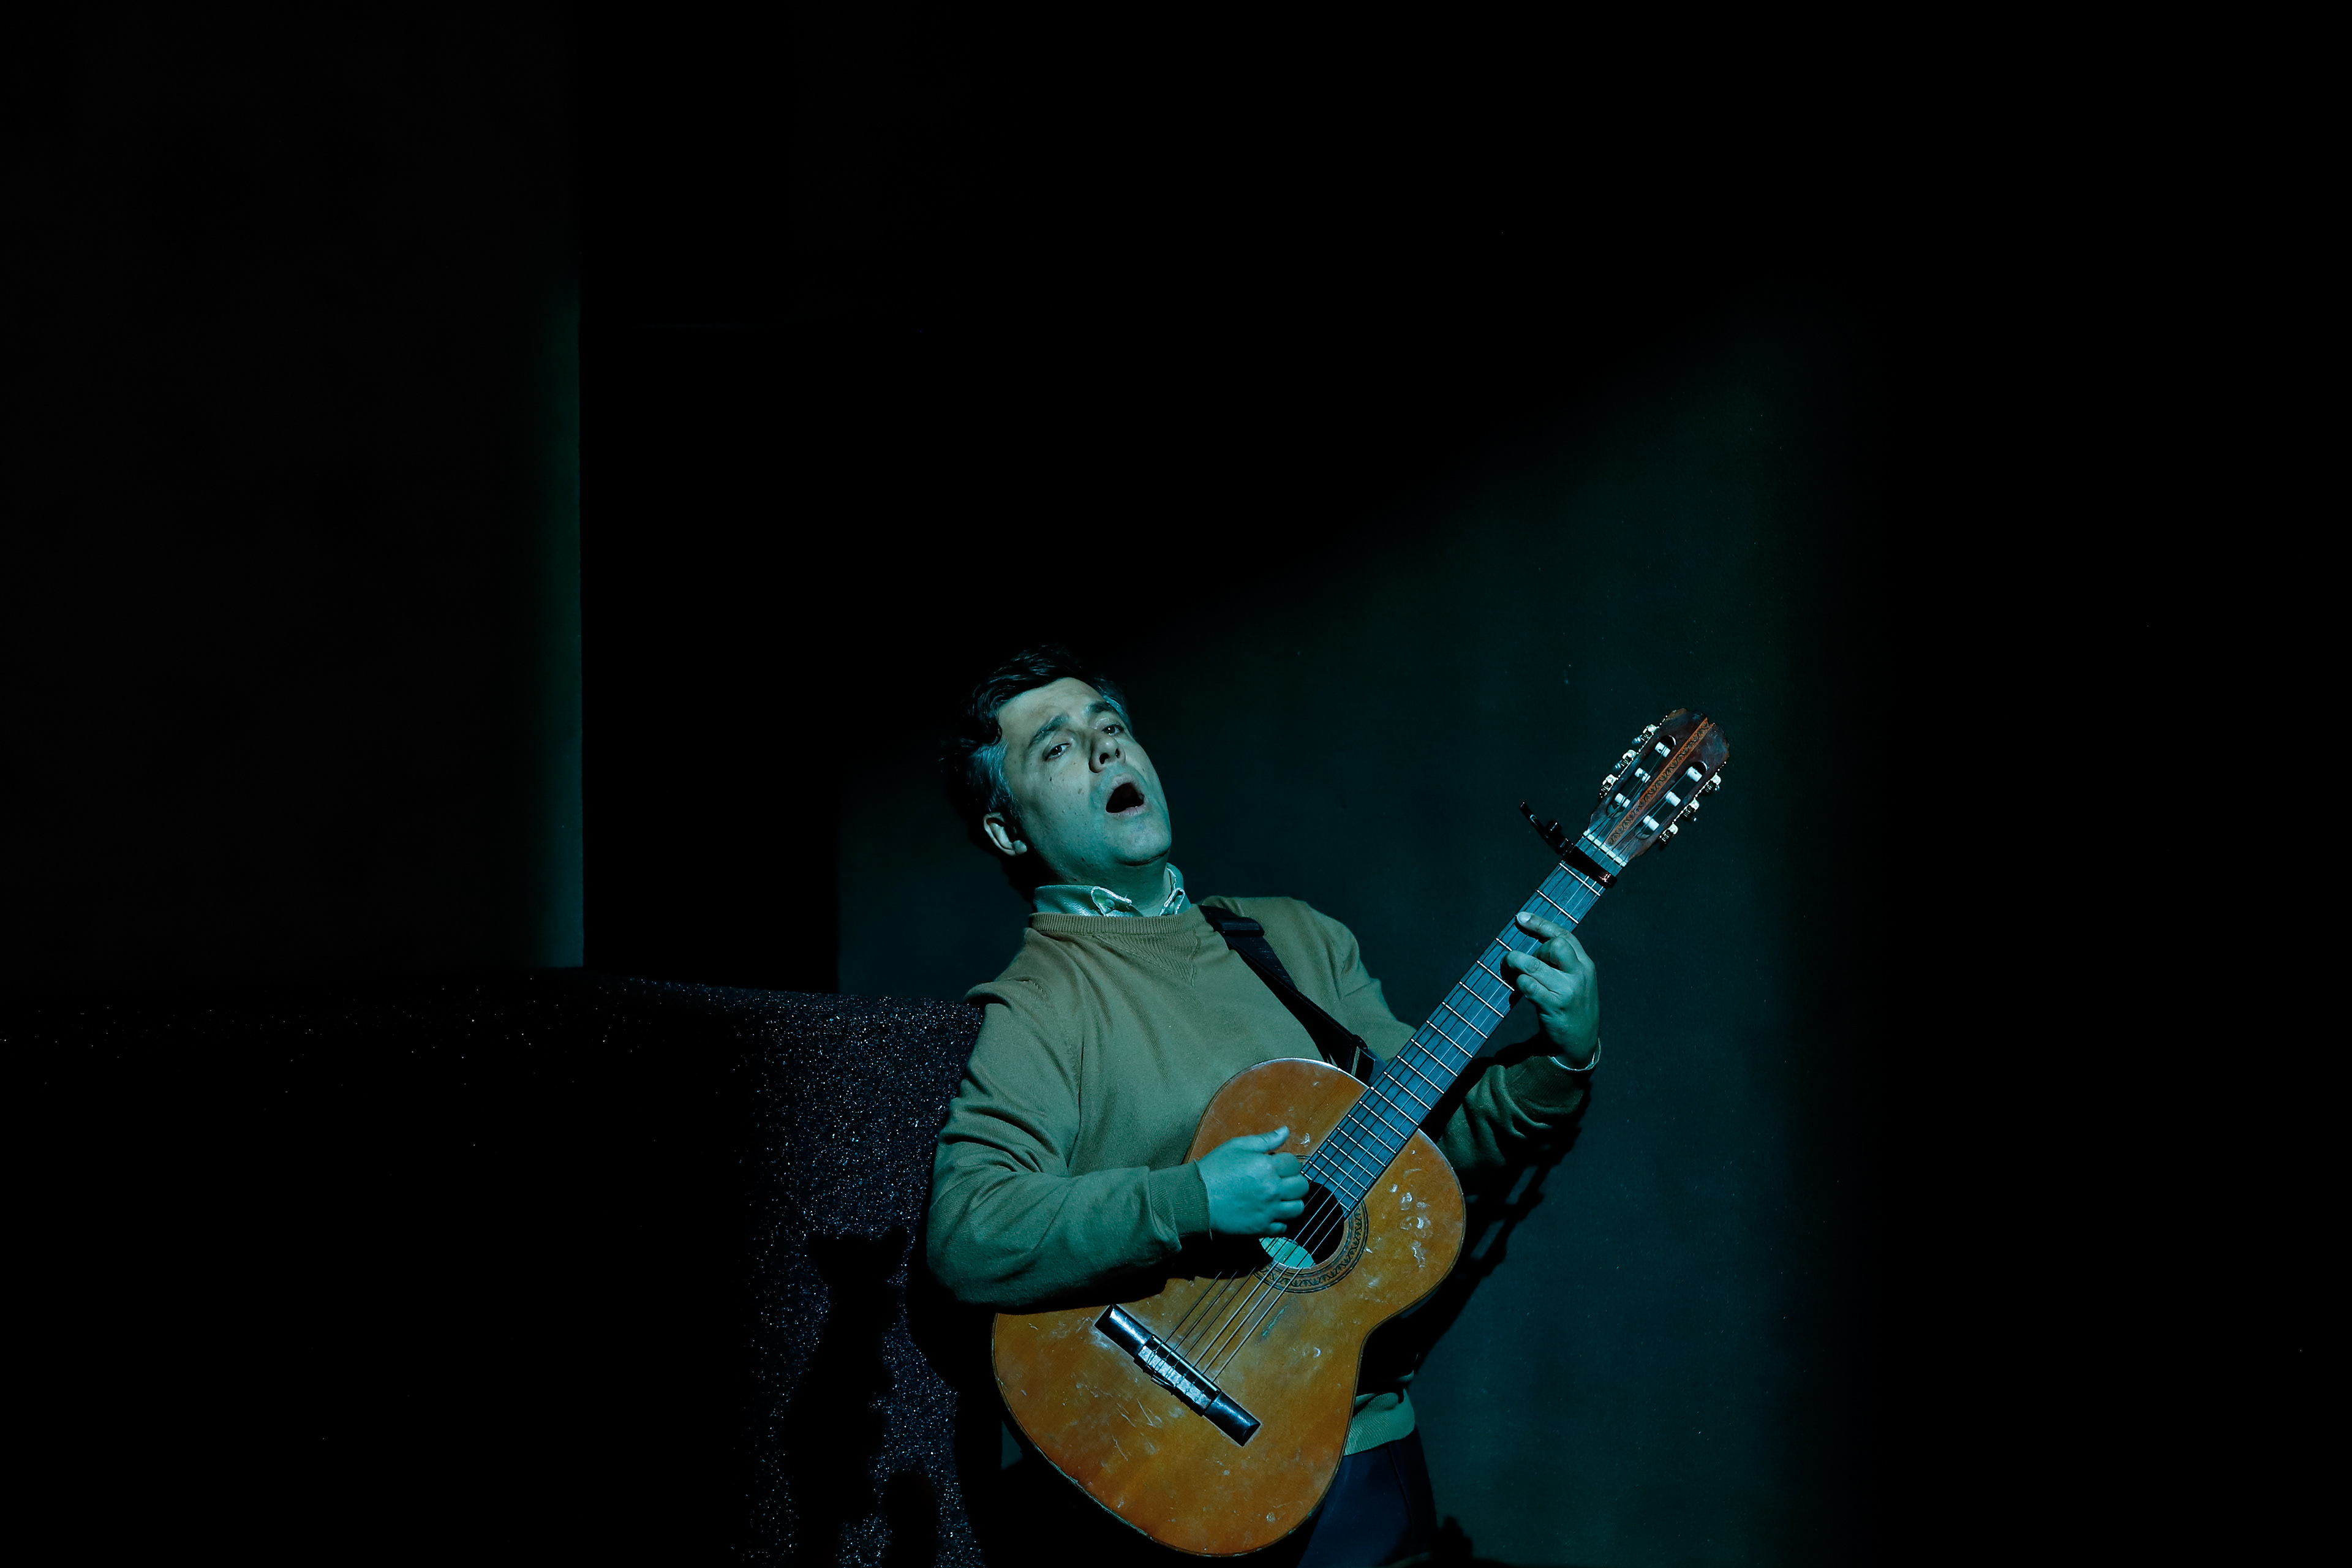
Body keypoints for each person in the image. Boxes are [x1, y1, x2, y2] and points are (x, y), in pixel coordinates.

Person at [927, 647, 1600, 1566]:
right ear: (1007, 831)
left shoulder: (1292, 940)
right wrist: (1191, 1200)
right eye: (1057, 747)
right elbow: (969, 1231)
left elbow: (1431, 1151)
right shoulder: (1038, 1006)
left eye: (1111, 728)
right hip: (1161, 1464)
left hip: (1359, 1455)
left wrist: (1564, 1056)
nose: (1104, 749)